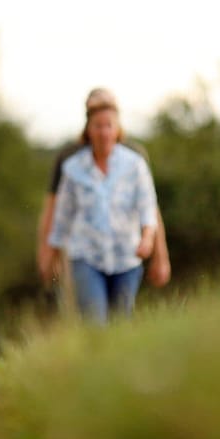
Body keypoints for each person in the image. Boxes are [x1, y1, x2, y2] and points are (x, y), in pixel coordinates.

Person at [41, 88, 171, 322]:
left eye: (109, 124)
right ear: (88, 125)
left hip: (126, 255)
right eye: (96, 123)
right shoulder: (70, 162)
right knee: (94, 321)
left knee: (122, 321)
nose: (103, 131)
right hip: (86, 255)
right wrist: (48, 254)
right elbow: (58, 212)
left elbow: (149, 207)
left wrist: (156, 249)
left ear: (118, 124)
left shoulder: (135, 158)